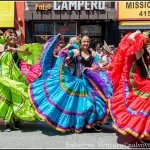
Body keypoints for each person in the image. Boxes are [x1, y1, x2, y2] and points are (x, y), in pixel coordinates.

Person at [29, 34, 112, 133]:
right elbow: (62, 54)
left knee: (94, 102)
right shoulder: (76, 51)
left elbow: (100, 63)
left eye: (88, 42)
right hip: (76, 81)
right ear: (80, 42)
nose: (86, 43)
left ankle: (92, 122)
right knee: (78, 105)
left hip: (89, 82)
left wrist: (101, 65)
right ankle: (81, 123)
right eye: (84, 41)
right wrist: (66, 48)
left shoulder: (93, 53)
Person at [109, 30, 150, 141]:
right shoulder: (140, 51)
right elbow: (131, 38)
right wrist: (137, 32)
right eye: (146, 41)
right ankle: (142, 132)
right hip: (145, 82)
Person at [0, 28, 39, 132]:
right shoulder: (2, 47)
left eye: (14, 36)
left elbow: (29, 51)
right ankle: (6, 123)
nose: (13, 37)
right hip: (5, 77)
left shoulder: (19, 48)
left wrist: (14, 50)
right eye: (10, 36)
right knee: (6, 99)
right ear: (6, 38)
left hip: (16, 77)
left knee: (17, 97)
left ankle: (15, 120)